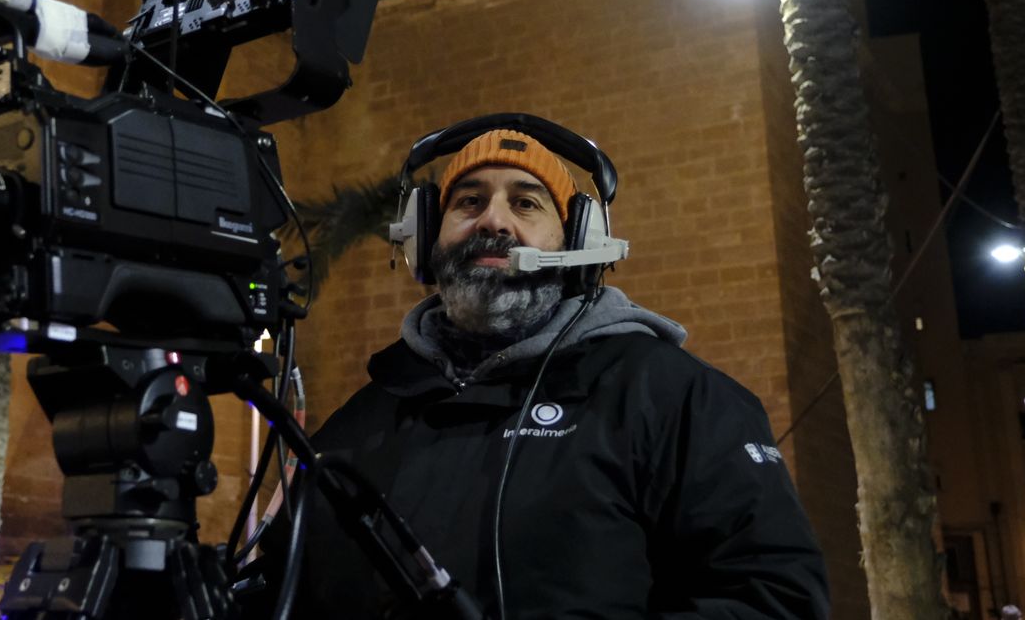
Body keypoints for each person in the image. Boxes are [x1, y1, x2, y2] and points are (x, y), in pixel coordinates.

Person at [258, 126, 830, 619]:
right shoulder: (357, 423)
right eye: (468, 202)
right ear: (425, 236)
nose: (493, 221)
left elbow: (777, 598)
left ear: (578, 240)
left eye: (526, 203)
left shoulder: (673, 396)